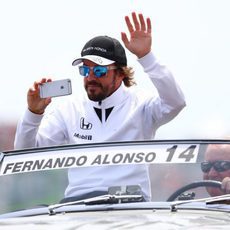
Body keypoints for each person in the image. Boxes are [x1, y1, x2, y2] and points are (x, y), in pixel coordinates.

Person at [14, 12, 186, 202]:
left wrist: (146, 57)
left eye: (99, 70)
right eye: (85, 70)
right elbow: (25, 153)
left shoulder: (142, 104)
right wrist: (33, 113)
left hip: (131, 206)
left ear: (121, 74)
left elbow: (176, 102)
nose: (90, 77)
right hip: (78, 206)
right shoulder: (69, 109)